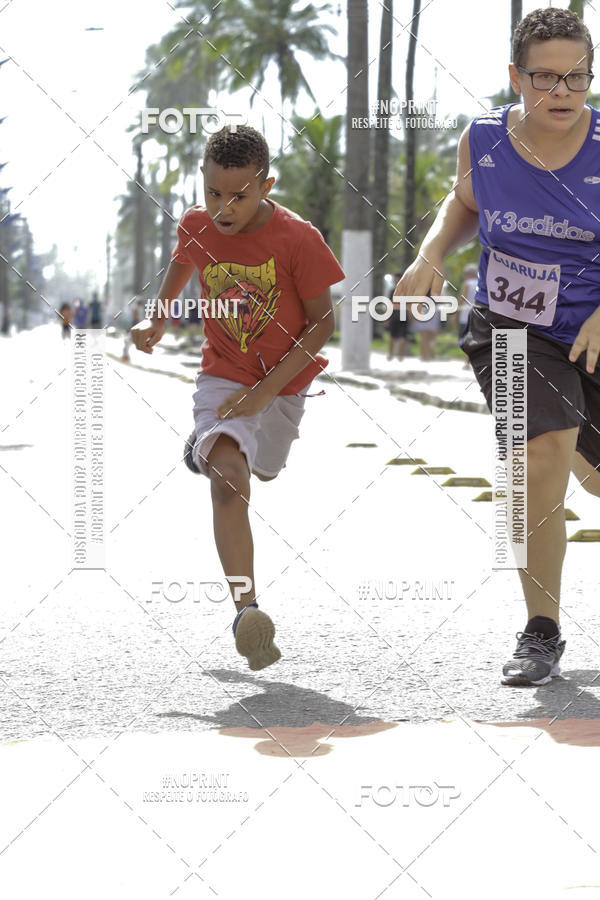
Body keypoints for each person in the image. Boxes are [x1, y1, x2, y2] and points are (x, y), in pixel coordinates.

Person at [395, 7, 600, 687]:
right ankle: (541, 632)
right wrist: (429, 255)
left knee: (588, 474)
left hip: (588, 328)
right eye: (546, 77)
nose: (562, 92)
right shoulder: (483, 140)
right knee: (538, 454)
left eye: (576, 76)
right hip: (506, 327)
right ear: (516, 77)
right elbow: (466, 204)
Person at [131, 125, 344, 670]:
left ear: (266, 185)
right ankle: (246, 611)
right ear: (202, 182)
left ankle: (213, 446)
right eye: (214, 193)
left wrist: (265, 393)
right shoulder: (199, 224)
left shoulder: (299, 239)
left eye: (240, 195)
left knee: (266, 472)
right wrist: (159, 314)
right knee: (231, 480)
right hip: (224, 377)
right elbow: (184, 259)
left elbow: (324, 323)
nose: (224, 208)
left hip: (284, 383)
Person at [385, 271, 409, 360]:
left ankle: (394, 354)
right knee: (399, 336)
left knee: (397, 336)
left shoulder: (394, 291)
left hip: (396, 314)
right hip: (399, 314)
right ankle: (398, 355)